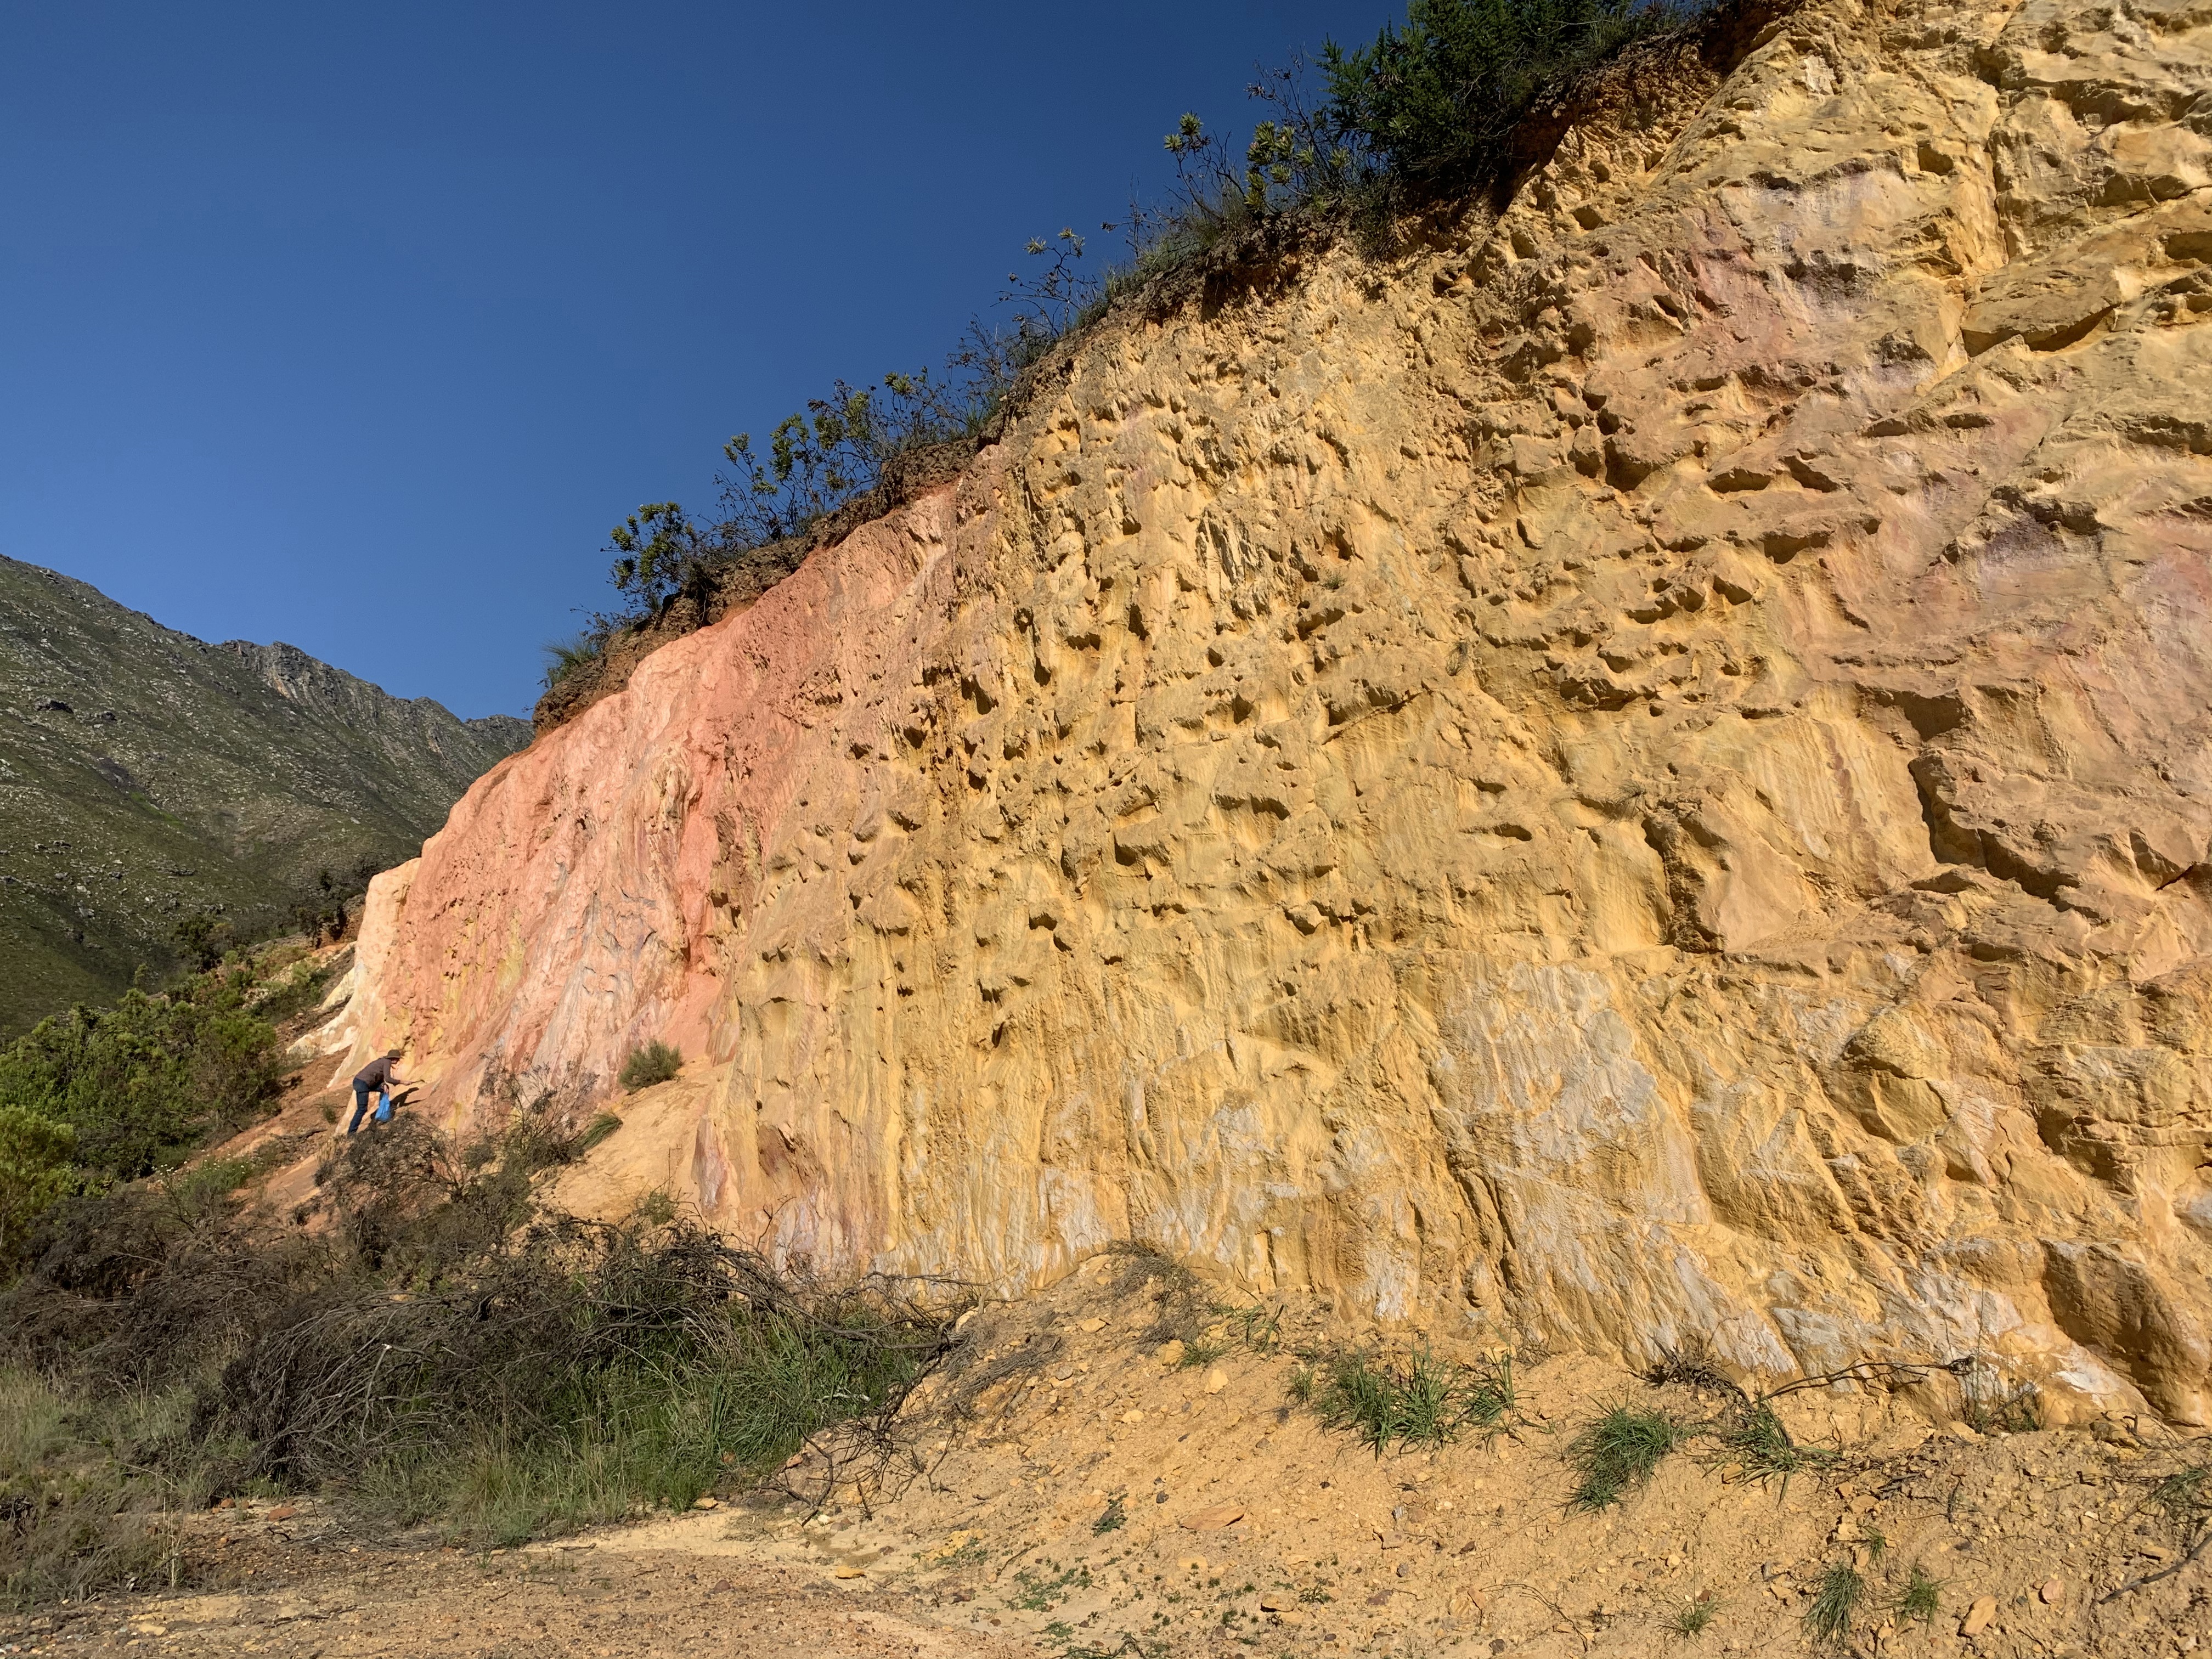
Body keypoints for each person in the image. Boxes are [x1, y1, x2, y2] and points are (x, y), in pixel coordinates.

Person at [348, 1048, 404, 1133]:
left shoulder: (383, 1061)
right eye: (398, 1059)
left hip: (362, 1082)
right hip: (362, 1084)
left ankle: (382, 1111)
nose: (398, 1061)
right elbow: (388, 1078)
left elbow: (382, 1079)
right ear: (394, 1059)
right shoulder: (387, 1062)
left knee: (383, 1090)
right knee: (362, 1109)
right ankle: (351, 1132)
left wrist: (384, 1085)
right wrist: (402, 1082)